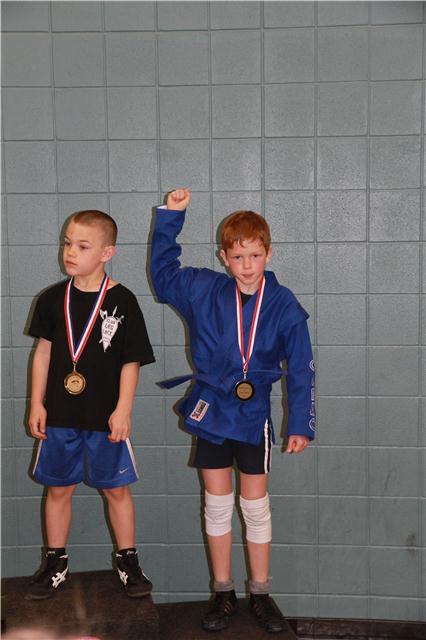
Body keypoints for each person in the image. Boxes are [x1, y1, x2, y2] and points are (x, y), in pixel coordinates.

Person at [150, 189, 315, 634]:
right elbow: (163, 277)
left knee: (255, 507)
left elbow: (302, 367)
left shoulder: (283, 304)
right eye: (238, 256)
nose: (247, 265)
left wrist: (300, 423)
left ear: (269, 253)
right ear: (223, 257)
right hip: (211, 410)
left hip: (253, 414)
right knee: (217, 504)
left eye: (255, 255)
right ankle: (222, 592)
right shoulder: (203, 289)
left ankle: (260, 592)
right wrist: (171, 217)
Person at [26, 210, 155, 600]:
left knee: (116, 491)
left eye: (82, 246)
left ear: (106, 252)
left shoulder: (123, 300)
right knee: (58, 489)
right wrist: (36, 404)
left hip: (105, 417)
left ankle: (128, 562)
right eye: (68, 243)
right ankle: (55, 562)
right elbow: (42, 354)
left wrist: (123, 409)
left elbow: (131, 361)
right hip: (59, 416)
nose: (71, 252)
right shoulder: (52, 299)